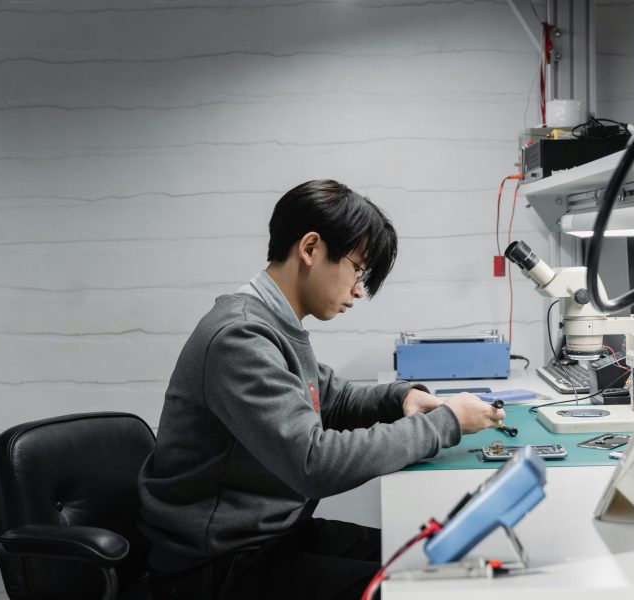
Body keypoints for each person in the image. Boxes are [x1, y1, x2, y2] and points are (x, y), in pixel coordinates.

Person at [138, 179, 505, 599]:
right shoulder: (239, 337)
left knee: (428, 561)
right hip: (217, 567)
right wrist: (445, 423)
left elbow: (335, 397)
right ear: (311, 248)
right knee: (414, 589)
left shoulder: (274, 324)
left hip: (272, 539)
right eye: (357, 269)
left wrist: (401, 396)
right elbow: (314, 463)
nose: (358, 289)